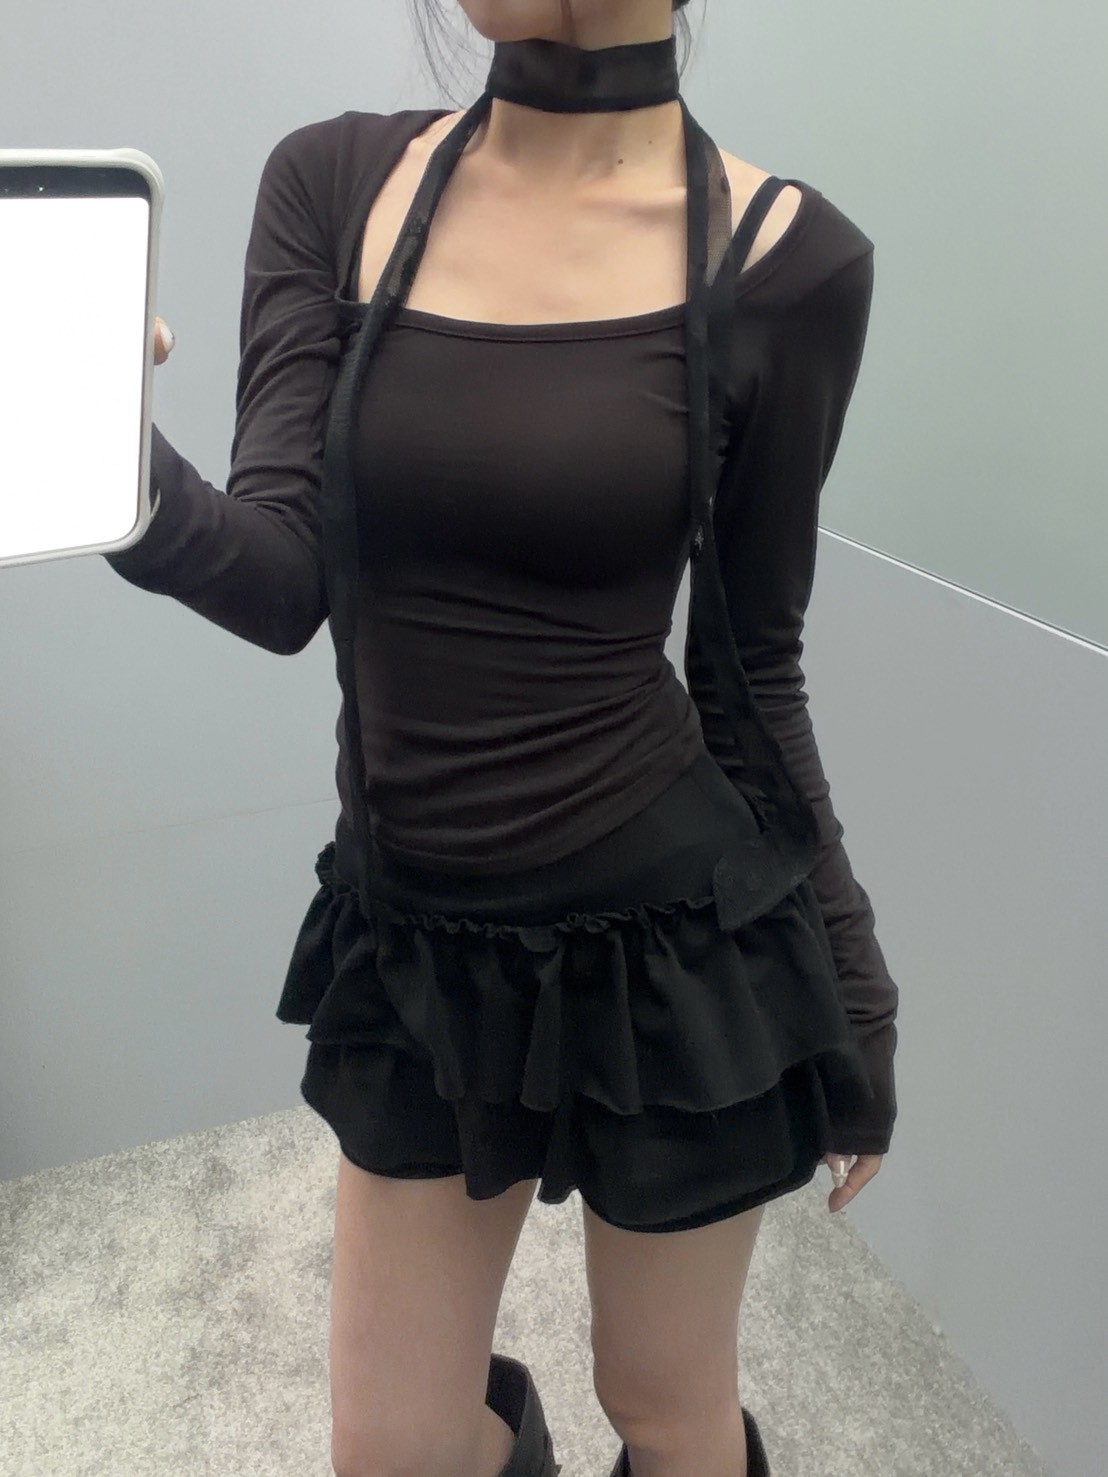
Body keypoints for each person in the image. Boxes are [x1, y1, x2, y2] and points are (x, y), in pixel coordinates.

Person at [125, 2, 900, 1474]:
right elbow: (282, 579)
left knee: (664, 1406)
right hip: (419, 945)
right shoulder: (334, 183)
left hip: (671, 951)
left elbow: (753, 668)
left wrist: (855, 992)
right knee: (393, 1445)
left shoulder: (789, 262)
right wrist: (105, 458)